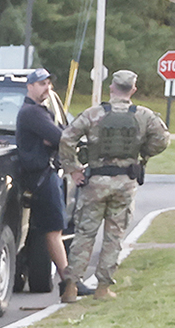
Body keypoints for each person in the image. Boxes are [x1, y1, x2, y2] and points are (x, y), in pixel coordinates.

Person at [63, 69, 172, 300]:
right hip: (125, 183)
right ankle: (103, 288)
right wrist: (143, 153)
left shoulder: (93, 114)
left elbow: (66, 138)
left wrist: (72, 169)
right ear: (133, 89)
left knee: (84, 234)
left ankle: (71, 287)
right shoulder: (144, 115)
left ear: (112, 87)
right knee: (114, 237)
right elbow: (163, 139)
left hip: (94, 182)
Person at [13, 68, 78, 304]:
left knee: (54, 229)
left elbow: (57, 135)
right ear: (30, 86)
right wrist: (52, 138)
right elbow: (62, 138)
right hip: (42, 177)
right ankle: (69, 284)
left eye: (48, 83)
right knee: (54, 231)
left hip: (46, 174)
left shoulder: (40, 112)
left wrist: (52, 138)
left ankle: (70, 282)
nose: (46, 88)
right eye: (41, 83)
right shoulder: (32, 113)